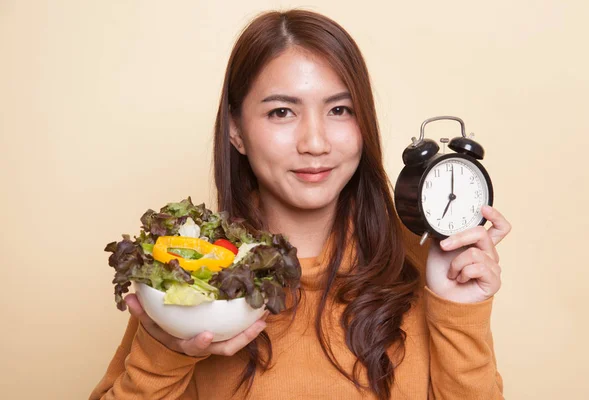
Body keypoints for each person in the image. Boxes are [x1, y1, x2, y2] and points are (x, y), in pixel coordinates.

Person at [91, 9, 511, 400]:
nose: (315, 143)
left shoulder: (425, 266)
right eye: (281, 112)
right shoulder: (194, 277)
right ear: (236, 130)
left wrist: (459, 313)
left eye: (340, 110)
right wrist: (166, 355)